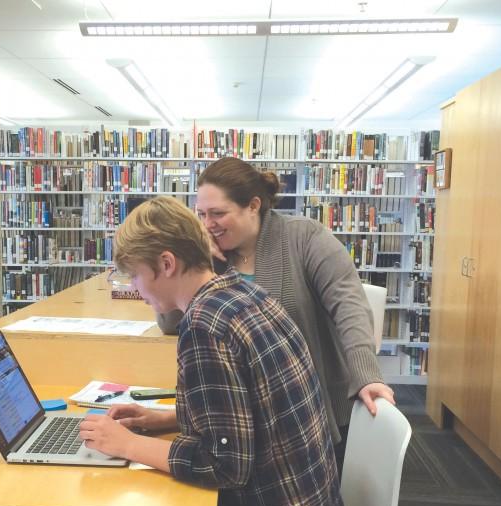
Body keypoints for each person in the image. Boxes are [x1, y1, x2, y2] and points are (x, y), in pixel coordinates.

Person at [79, 196, 348, 506]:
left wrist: (129, 445)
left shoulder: (204, 327)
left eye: (135, 276)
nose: (135, 289)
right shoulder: (243, 293)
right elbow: (255, 406)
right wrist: (167, 419)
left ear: (167, 264)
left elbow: (222, 466)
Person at [157, 157, 394, 465]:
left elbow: (349, 304)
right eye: (201, 214)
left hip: (311, 409)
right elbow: (171, 323)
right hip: (245, 412)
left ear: (253, 206)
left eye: (218, 213)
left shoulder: (304, 236)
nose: (206, 224)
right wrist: (197, 264)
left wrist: (366, 376)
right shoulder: (213, 256)